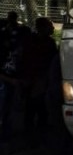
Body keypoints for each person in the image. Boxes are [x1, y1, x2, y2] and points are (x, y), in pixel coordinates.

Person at [20, 17, 58, 147]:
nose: (52, 29)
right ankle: (36, 138)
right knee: (38, 110)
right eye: (50, 26)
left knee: (33, 111)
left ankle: (32, 137)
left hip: (35, 80)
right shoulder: (46, 43)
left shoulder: (31, 42)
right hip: (38, 80)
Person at [0, 11, 30, 143]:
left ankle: (8, 130)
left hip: (14, 76)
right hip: (7, 77)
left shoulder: (20, 37)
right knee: (5, 104)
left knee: (11, 105)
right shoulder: (4, 38)